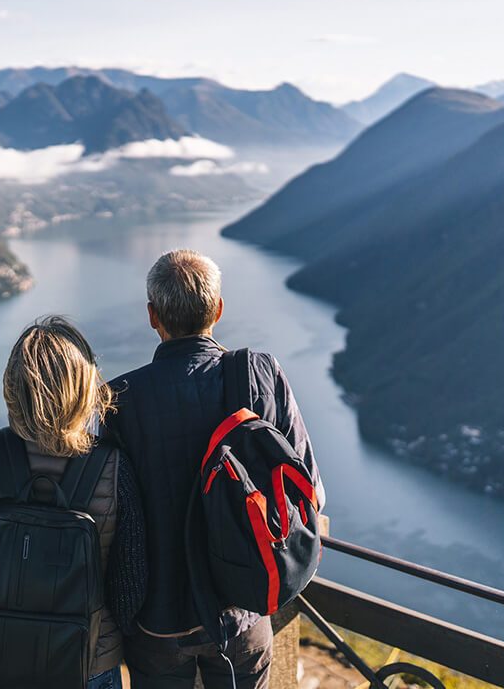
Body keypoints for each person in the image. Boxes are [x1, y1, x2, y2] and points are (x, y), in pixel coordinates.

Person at [102, 249, 325, 689]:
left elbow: (108, 516)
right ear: (218, 309)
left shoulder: (117, 400)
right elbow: (309, 491)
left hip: (157, 620)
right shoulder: (261, 375)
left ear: (152, 316)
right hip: (240, 611)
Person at [0, 315, 147, 689]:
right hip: (86, 667)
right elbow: (130, 593)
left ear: (12, 387)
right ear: (83, 389)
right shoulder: (113, 467)